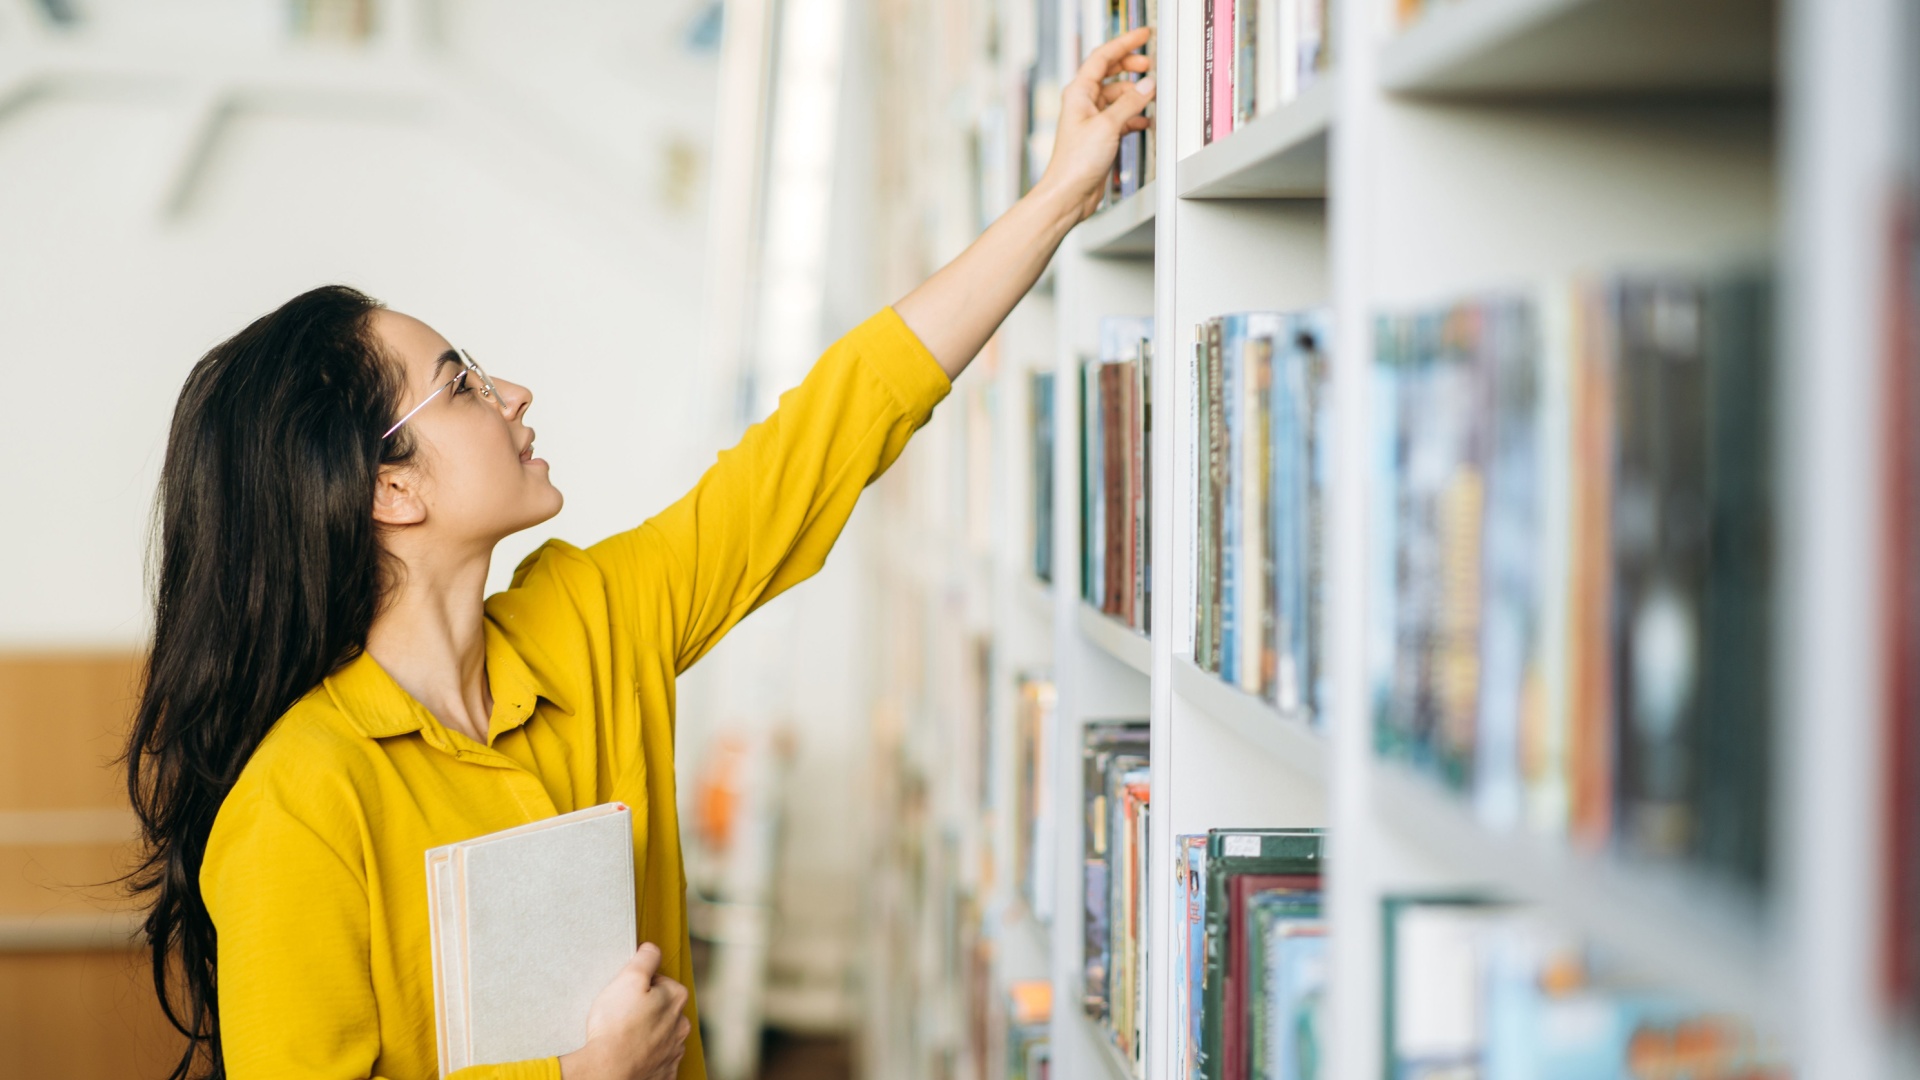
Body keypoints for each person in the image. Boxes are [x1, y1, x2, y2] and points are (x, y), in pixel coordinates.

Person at [123, 28, 1154, 1080]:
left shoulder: (587, 623)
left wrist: (1059, 196)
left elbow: (826, 437)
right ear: (391, 486)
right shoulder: (298, 799)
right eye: (463, 382)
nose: (512, 392)